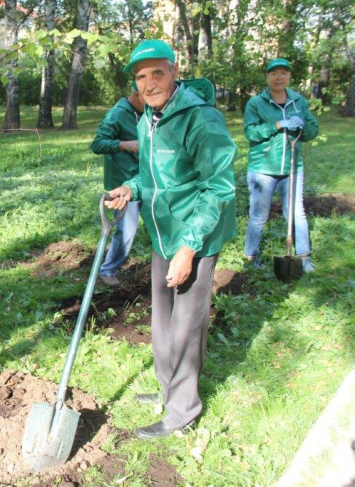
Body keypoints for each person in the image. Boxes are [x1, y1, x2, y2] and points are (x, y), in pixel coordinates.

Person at [106, 40, 237, 438]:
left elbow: (218, 188)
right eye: (140, 77)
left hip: (195, 233)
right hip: (163, 231)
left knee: (185, 323)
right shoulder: (148, 118)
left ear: (174, 70)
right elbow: (151, 177)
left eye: (156, 73)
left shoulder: (202, 120)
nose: (148, 83)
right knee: (161, 316)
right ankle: (167, 389)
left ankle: (183, 410)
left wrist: (188, 248)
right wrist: (130, 189)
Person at [243, 58, 319, 271]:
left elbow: (312, 131)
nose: (279, 77)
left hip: (292, 168)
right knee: (258, 216)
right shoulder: (256, 103)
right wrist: (277, 124)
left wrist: (303, 126)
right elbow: (250, 132)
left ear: (289, 77)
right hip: (262, 169)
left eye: (283, 73)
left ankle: (303, 257)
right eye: (274, 73)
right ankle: (251, 257)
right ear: (268, 77)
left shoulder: (299, 102)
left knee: (297, 214)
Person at [90, 82, 145, 287]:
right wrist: (123, 145)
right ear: (136, 93)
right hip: (122, 184)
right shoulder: (117, 114)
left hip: (146, 179)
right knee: (127, 229)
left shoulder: (148, 113)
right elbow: (97, 144)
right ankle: (107, 270)